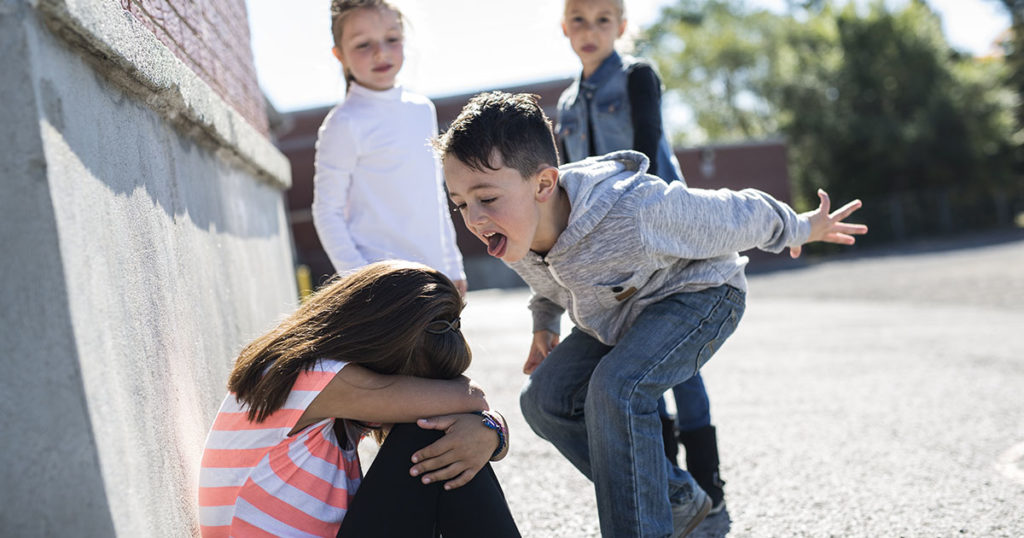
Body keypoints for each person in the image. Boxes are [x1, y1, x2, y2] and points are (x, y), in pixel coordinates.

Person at [435, 91, 867, 537]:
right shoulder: (513, 230)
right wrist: (544, 325)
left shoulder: (635, 210)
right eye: (460, 203)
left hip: (700, 296)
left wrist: (800, 227)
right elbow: (548, 282)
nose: (474, 218)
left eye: (485, 198)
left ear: (544, 185)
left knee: (616, 388)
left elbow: (738, 212)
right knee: (543, 400)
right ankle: (675, 498)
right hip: (621, 315)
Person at [198, 261, 521, 537]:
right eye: (412, 380)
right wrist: (488, 425)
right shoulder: (310, 376)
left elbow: (471, 408)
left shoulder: (319, 382)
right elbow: (473, 397)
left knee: (450, 439)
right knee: (430, 431)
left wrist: (490, 430)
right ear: (381, 344)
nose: (414, 392)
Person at [554, 0, 722, 512]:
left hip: (661, 233)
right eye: (579, 20)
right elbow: (569, 181)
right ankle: (667, 477)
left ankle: (708, 482)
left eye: (603, 20)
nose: (590, 30)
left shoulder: (636, 78)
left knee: (680, 362)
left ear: (621, 27)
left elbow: (648, 146)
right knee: (634, 356)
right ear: (564, 27)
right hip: (607, 252)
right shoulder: (563, 105)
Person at [312, 0, 467, 295]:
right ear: (339, 55)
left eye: (392, 40)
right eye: (362, 45)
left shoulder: (422, 109)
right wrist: (360, 280)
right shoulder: (343, 123)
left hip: (436, 278)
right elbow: (326, 211)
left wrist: (453, 265)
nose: (381, 52)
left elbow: (435, 196)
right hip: (383, 289)